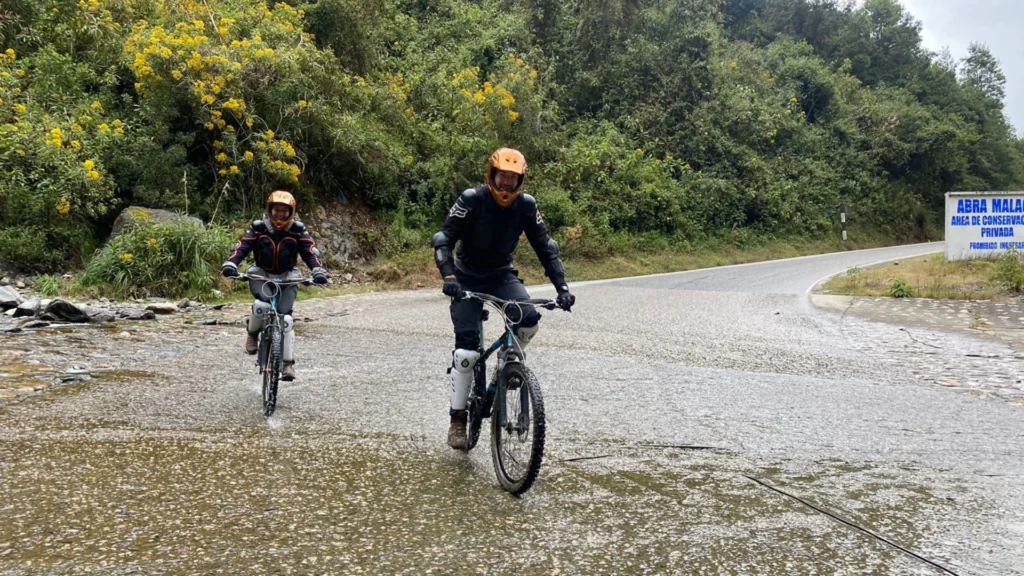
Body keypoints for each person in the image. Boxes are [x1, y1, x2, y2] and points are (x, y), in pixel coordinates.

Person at [431, 148, 575, 449]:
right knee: (467, 353)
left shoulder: (526, 206)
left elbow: (545, 247)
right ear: (491, 175)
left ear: (520, 180)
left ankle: (508, 362)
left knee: (529, 319)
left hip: (501, 275)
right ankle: (458, 418)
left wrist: (562, 287)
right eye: (502, 177)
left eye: (513, 178)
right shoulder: (472, 199)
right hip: (466, 276)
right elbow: (444, 238)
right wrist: (449, 277)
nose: (507, 184)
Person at [221, 191, 328, 381]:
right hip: (261, 273)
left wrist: (318, 271)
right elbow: (242, 247)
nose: (279, 215)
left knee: (286, 318)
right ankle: (253, 334)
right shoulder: (258, 228)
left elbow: (310, 252)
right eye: (276, 210)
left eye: (284, 211)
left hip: (288, 276)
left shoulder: (298, 229)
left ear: (291, 212)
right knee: (262, 306)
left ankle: (287, 364)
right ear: (270, 210)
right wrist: (231, 264)